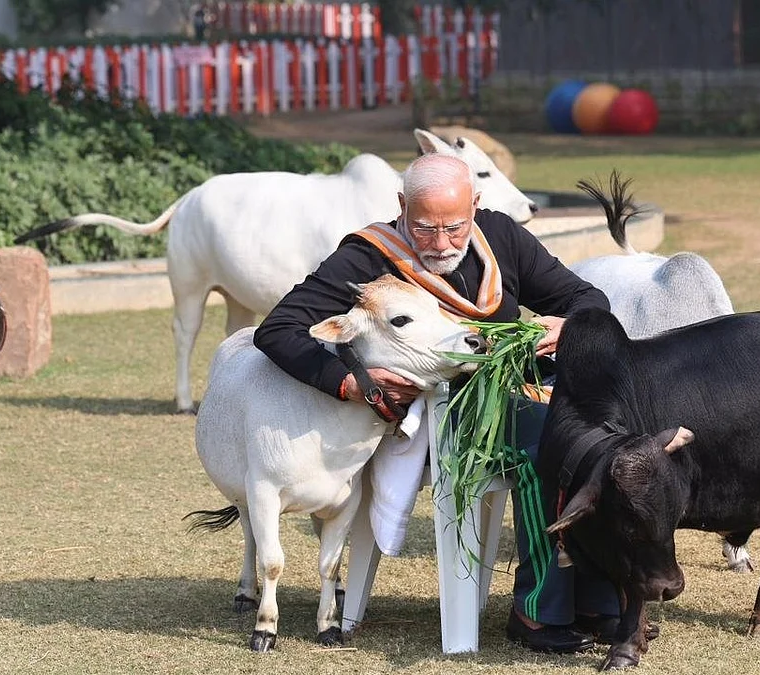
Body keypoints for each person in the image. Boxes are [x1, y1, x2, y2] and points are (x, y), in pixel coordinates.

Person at [253, 152, 619, 653]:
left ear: (476, 205)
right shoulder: (368, 256)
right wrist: (352, 383)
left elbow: (587, 298)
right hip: (436, 416)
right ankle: (537, 612)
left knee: (602, 436)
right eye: (425, 228)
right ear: (402, 206)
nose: (442, 243)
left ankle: (598, 602)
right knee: (550, 440)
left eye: (455, 226)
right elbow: (278, 329)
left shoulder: (501, 237)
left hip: (512, 392)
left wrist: (567, 324)